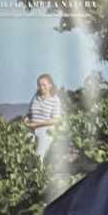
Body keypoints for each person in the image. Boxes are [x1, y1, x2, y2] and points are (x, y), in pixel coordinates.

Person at [26, 72, 74, 205]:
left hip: (46, 130)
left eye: (44, 84)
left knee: (38, 156)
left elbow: (55, 120)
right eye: (39, 85)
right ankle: (26, 181)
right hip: (32, 130)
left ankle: (38, 185)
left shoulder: (55, 99)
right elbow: (29, 113)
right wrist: (26, 119)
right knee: (24, 151)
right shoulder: (36, 97)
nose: (41, 87)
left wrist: (37, 124)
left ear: (50, 85)